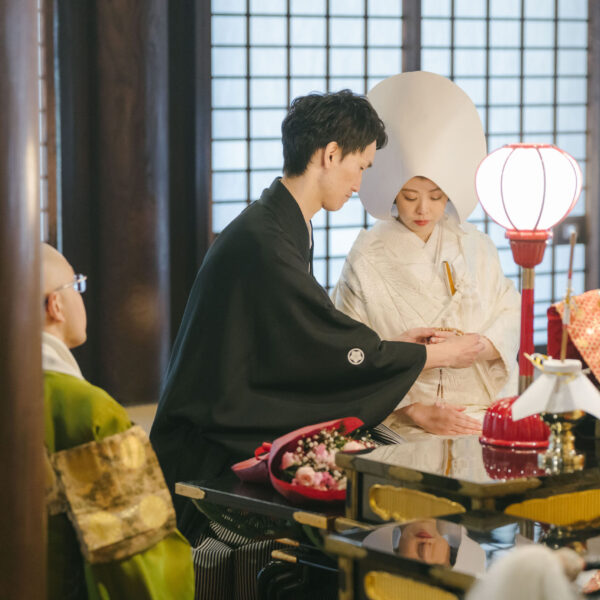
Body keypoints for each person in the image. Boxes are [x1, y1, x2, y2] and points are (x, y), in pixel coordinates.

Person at [150, 89, 485, 540]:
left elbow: (299, 339)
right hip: (210, 442)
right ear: (329, 155)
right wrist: (433, 356)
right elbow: (319, 342)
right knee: (372, 474)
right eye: (360, 166)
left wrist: (393, 348)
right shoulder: (265, 241)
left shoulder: (278, 222)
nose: (359, 184)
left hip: (231, 409)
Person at [332, 72, 520, 440]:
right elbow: (351, 348)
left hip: (480, 408)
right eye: (409, 196)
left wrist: (480, 347)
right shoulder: (366, 255)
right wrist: (412, 410)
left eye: (435, 196)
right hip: (404, 416)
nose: (423, 209)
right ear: (392, 193)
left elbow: (509, 310)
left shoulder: (476, 244)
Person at [42, 243, 194, 600]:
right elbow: (138, 559)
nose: (81, 296)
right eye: (76, 285)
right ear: (55, 305)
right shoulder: (87, 411)